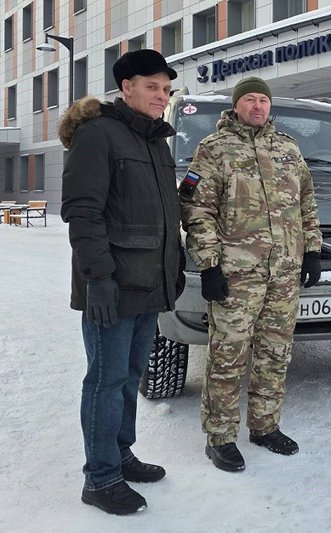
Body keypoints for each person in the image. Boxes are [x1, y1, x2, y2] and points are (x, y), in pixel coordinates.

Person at [60, 49, 183, 514]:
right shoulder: (98, 134)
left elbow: (163, 215)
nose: (161, 96)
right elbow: (82, 211)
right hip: (111, 286)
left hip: (149, 284)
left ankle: (120, 453)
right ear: (126, 87)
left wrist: (175, 262)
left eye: (166, 89)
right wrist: (98, 278)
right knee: (106, 381)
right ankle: (100, 477)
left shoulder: (156, 142)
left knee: (130, 377)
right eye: (152, 87)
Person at [180, 77, 322, 472]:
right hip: (236, 274)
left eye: (263, 100)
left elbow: (307, 202)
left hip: (284, 272)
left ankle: (265, 426)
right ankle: (220, 437)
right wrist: (209, 265)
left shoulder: (288, 148)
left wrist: (311, 250)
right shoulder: (213, 149)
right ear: (236, 105)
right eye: (250, 100)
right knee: (228, 354)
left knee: (275, 352)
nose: (258, 106)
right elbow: (196, 210)